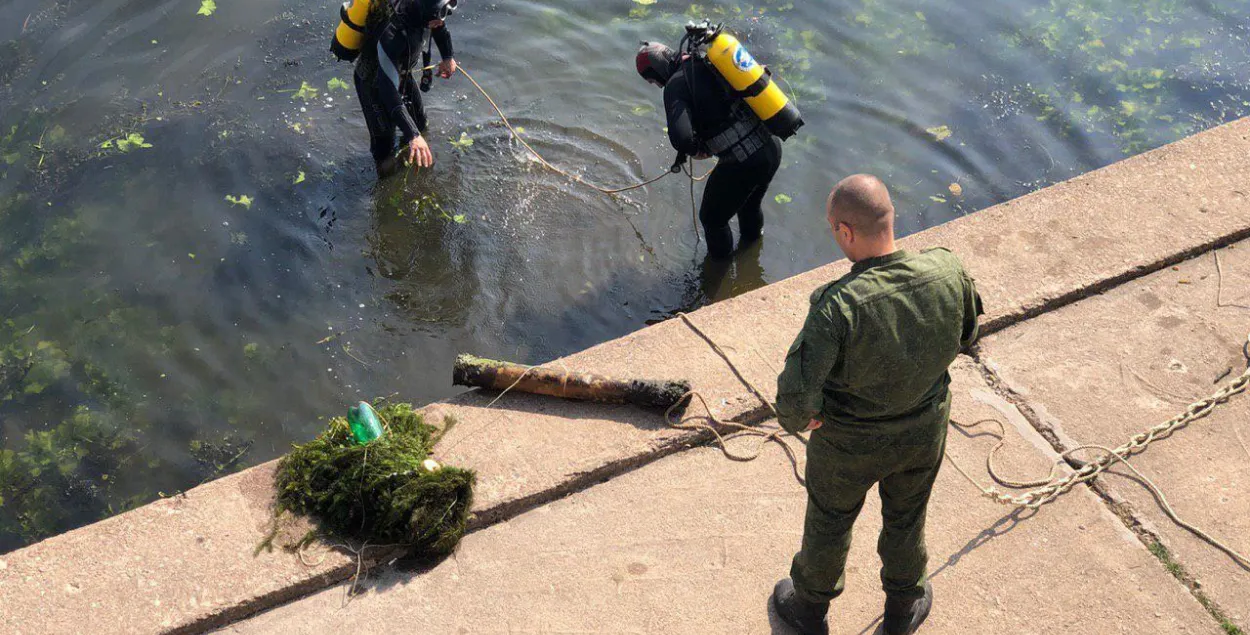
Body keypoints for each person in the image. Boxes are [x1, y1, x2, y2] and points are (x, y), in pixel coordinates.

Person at [771, 175, 983, 635]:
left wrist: (801, 420)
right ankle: (903, 608)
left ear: (845, 231)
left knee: (830, 520)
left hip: (848, 446)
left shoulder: (836, 306)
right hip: (922, 434)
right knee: (907, 515)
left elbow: (793, 400)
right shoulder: (948, 271)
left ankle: (808, 609)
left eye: (833, 230)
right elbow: (969, 337)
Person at [635, 41, 783, 260]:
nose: (658, 85)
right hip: (771, 147)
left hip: (744, 161)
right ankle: (751, 258)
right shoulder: (708, 61)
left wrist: (698, 150)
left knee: (712, 219)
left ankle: (717, 274)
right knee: (749, 206)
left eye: (653, 80)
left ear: (657, 72)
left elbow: (681, 137)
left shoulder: (676, 84)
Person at [354, 0, 460, 177]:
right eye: (437, 18)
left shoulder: (426, 12)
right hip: (373, 83)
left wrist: (448, 56)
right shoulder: (393, 33)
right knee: (384, 147)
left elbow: (439, 26)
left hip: (402, 71)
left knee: (420, 124)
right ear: (426, 14)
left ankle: (414, 158)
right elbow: (386, 88)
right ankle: (385, 188)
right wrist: (413, 136)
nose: (440, 21)